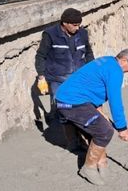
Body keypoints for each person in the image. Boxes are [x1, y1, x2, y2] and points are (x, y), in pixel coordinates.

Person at [55, 49, 128, 186]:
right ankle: (89, 167)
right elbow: (115, 100)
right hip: (71, 102)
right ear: (124, 61)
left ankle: (102, 162)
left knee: (100, 125)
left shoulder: (107, 61)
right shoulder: (116, 71)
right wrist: (122, 127)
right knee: (104, 131)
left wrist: (98, 107)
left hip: (75, 98)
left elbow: (93, 83)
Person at [35, 8, 94, 148]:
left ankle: (82, 137)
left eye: (79, 24)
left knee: (81, 108)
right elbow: (40, 56)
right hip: (58, 79)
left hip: (79, 78)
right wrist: (41, 76)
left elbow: (89, 53)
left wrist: (92, 71)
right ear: (65, 23)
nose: (78, 27)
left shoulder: (83, 34)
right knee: (64, 109)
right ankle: (71, 141)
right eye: (74, 25)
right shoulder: (50, 35)